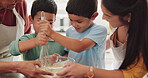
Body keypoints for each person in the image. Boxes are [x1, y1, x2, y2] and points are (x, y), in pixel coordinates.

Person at [55, 0, 148, 78]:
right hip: (115, 71)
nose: (103, 18)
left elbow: (132, 74)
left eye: (108, 16)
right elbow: (114, 41)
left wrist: (87, 70)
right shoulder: (117, 24)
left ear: (128, 16)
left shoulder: (144, 40)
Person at [39, 0, 107, 68]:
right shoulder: (70, 31)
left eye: (79, 21)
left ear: (93, 16)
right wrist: (59, 58)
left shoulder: (99, 30)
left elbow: (80, 46)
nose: (74, 25)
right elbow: (69, 54)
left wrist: (51, 33)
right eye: (71, 20)